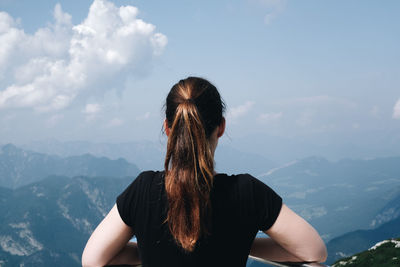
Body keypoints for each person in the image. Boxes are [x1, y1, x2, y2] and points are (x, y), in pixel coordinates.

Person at [82, 77, 327, 267]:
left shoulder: (144, 189)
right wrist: (241, 244)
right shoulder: (247, 193)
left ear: (168, 128)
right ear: (221, 127)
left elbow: (93, 261)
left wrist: (145, 251)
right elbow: (314, 252)